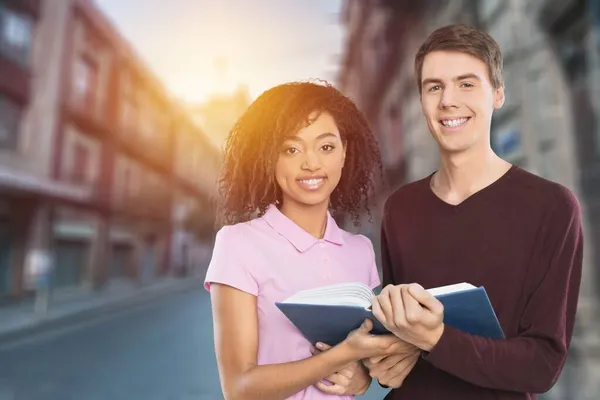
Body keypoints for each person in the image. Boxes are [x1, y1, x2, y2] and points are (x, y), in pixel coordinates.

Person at [364, 24, 584, 400]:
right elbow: (399, 338)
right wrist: (382, 363)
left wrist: (436, 338)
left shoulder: (552, 207)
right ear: (421, 100)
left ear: (497, 94)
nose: (448, 100)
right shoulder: (400, 209)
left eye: (467, 84)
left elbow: (543, 365)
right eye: (434, 87)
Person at [204, 81, 419, 400]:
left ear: (345, 152)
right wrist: (340, 356)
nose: (312, 163)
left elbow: (362, 372)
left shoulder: (360, 250)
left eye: (326, 147)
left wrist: (362, 376)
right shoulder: (237, 244)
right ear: (270, 158)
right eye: (291, 149)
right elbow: (238, 388)